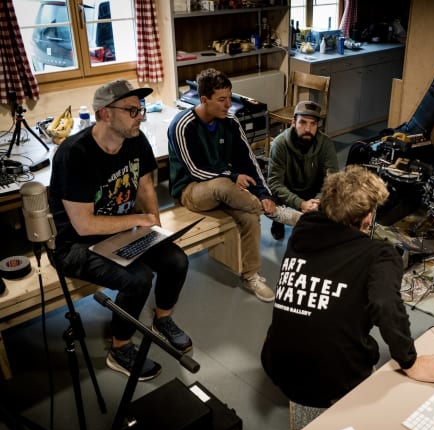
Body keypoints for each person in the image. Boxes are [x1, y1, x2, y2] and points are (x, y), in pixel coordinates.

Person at [261, 165, 434, 414]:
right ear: (368, 217)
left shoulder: (301, 232)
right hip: (333, 384)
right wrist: (409, 362)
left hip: (277, 366)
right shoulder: (380, 256)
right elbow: (385, 305)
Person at [49, 79, 192, 381]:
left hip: (123, 231)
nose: (139, 116)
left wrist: (154, 221)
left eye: (139, 109)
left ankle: (162, 320)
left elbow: (143, 185)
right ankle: (120, 347)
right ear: (104, 114)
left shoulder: (135, 140)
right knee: (138, 279)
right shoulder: (74, 154)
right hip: (76, 245)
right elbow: (83, 224)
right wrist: (137, 221)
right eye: (131, 110)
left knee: (177, 260)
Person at [168, 68, 299, 302]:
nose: (228, 104)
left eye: (230, 97)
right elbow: (195, 170)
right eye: (221, 99)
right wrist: (232, 175)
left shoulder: (230, 121)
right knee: (223, 184)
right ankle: (276, 213)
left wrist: (263, 193)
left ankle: (250, 275)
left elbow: (248, 161)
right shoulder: (182, 125)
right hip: (191, 190)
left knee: (249, 217)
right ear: (204, 99)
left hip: (226, 190)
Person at [266, 100, 339, 240]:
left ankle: (315, 224)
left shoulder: (326, 144)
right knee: (272, 194)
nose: (308, 129)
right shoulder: (279, 144)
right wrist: (300, 203)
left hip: (313, 190)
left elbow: (333, 180)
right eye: (303, 122)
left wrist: (317, 201)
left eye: (313, 124)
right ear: (293, 122)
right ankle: (278, 223)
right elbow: (275, 183)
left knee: (335, 194)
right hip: (287, 188)